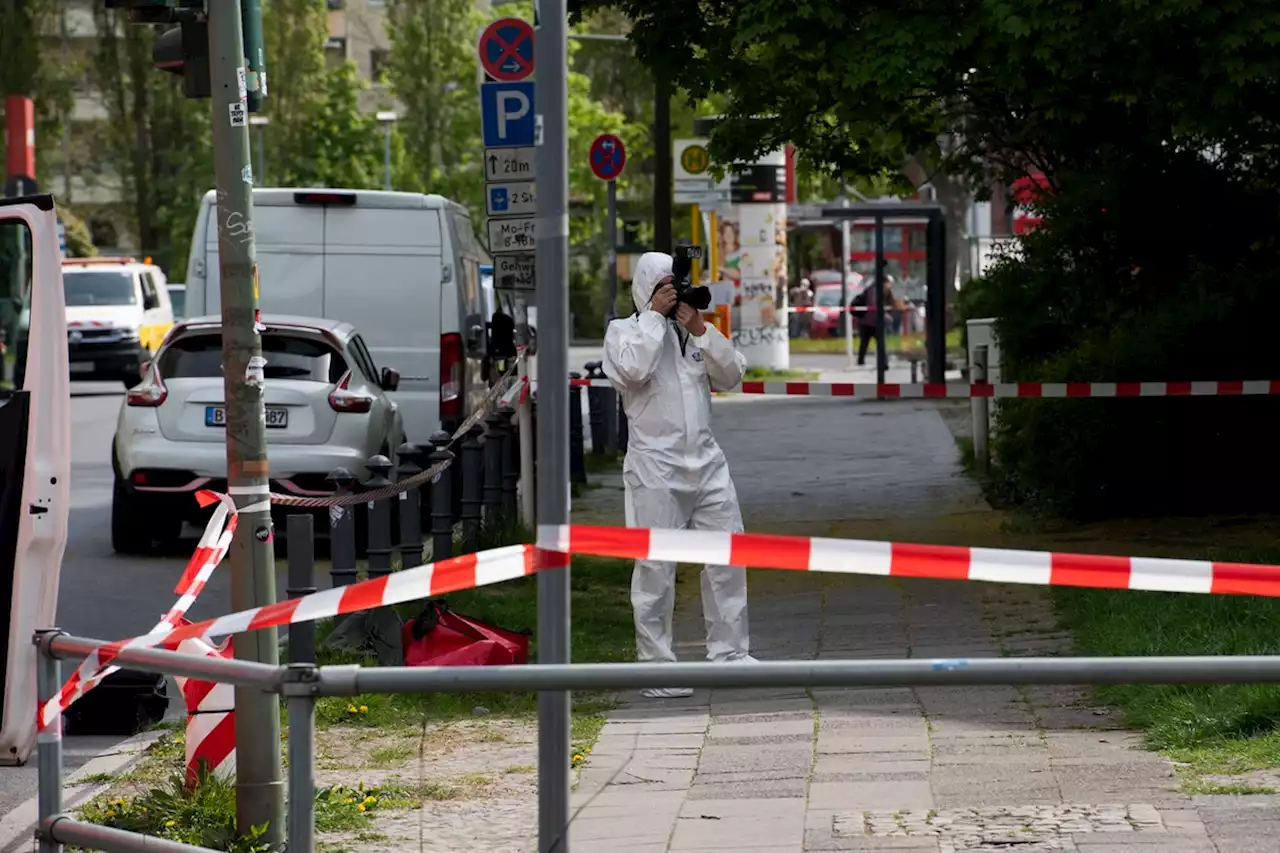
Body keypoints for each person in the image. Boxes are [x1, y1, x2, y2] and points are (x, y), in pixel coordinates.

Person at [603, 252, 755, 698]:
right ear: (647, 288)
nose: (675, 294)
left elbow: (731, 376)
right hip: (655, 467)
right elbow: (633, 370)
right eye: (665, 286)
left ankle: (730, 654)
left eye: (677, 285)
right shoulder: (624, 332)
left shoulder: (692, 335)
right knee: (655, 569)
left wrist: (702, 330)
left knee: (729, 554)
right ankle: (656, 667)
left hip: (706, 462)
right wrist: (654, 317)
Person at [855, 274, 896, 366]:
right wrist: (887, 318)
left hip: (870, 321)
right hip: (870, 322)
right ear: (884, 282)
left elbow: (890, 303)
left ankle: (863, 362)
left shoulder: (881, 290)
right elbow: (874, 306)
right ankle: (882, 363)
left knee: (868, 343)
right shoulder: (874, 290)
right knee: (875, 343)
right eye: (889, 283)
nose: (890, 286)